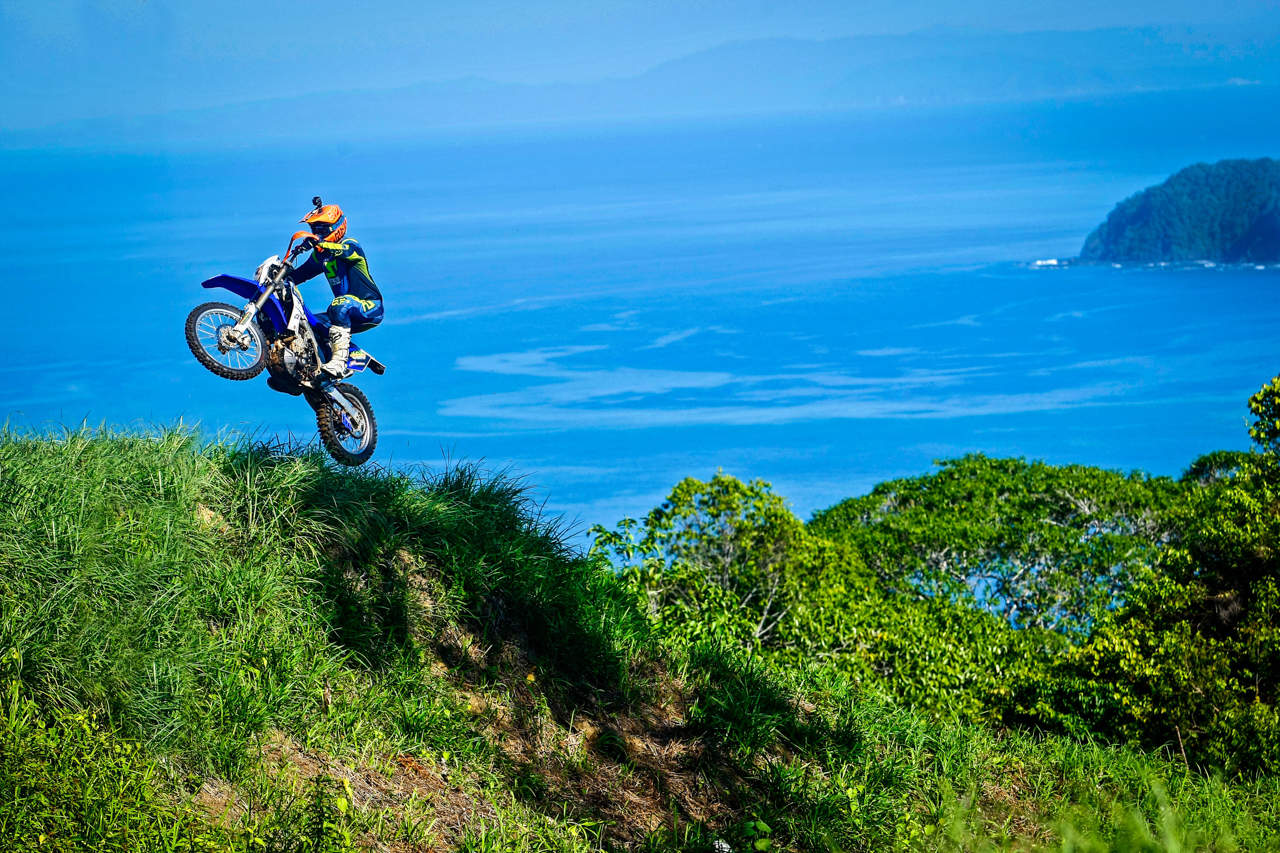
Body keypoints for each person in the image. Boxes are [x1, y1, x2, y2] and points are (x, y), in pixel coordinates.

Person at [288, 197, 384, 381]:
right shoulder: (320, 257)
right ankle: (310, 370)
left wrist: (319, 243)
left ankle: (339, 363)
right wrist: (280, 277)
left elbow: (343, 251)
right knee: (307, 325)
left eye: (322, 228)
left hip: (370, 307)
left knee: (339, 304)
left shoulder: (351, 245)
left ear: (337, 226)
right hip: (344, 312)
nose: (317, 232)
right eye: (315, 229)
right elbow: (302, 274)